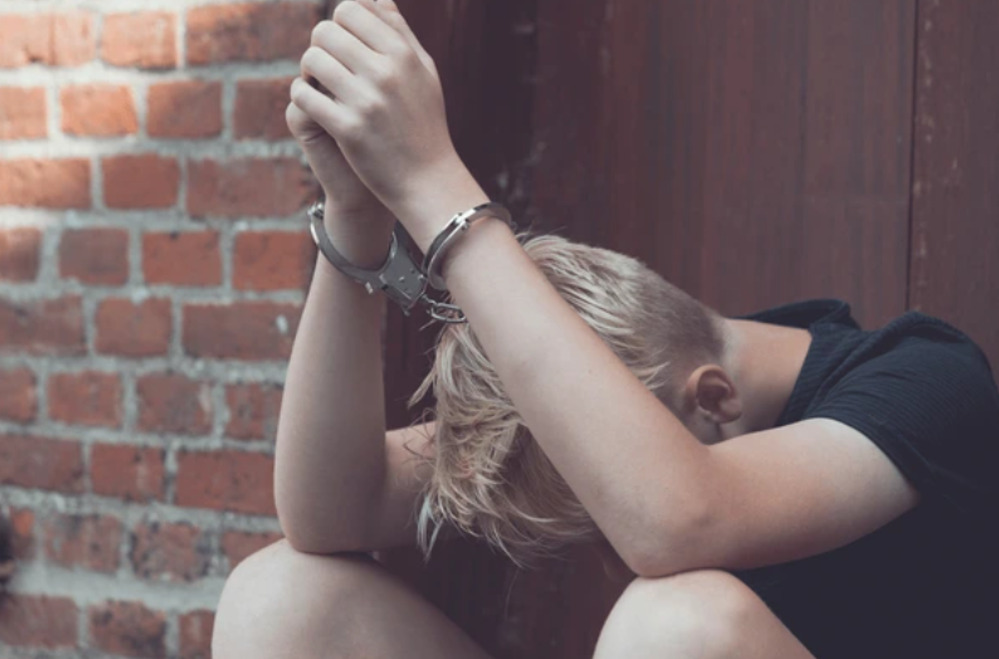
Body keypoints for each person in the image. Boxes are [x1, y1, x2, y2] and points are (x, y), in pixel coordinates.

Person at [212, 1, 999, 657]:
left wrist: (430, 185)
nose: (613, 546)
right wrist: (357, 214)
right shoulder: (651, 385)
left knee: (675, 626)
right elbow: (334, 509)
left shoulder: (924, 380)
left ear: (713, 399)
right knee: (281, 599)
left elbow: (679, 517)